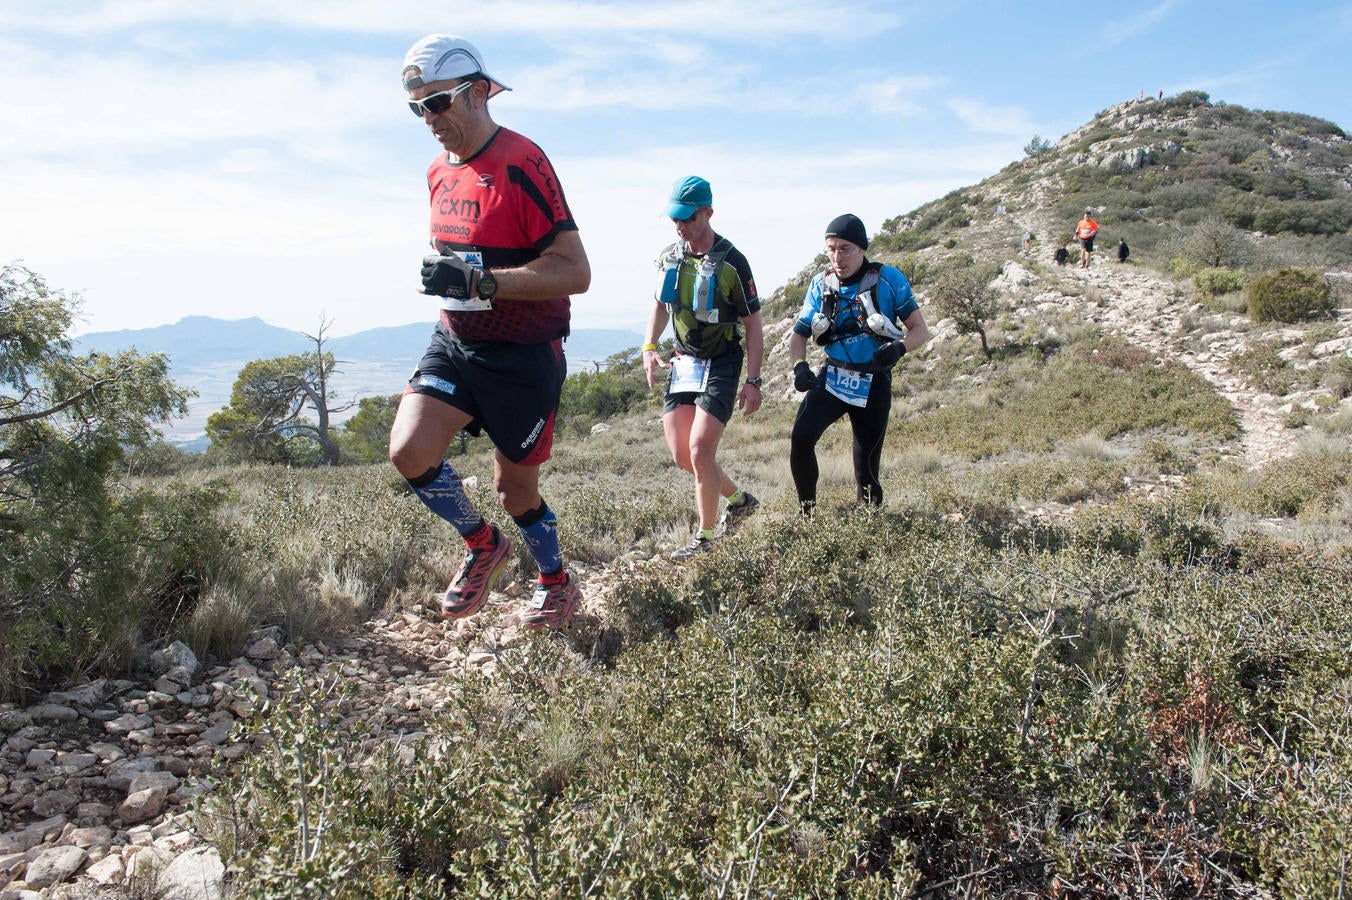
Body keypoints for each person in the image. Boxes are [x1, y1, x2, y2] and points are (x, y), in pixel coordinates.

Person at [388, 34, 591, 629]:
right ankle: (483, 544)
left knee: (515, 490)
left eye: (440, 102)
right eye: (417, 107)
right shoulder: (435, 171)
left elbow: (575, 272)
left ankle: (556, 581)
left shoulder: (523, 161)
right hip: (456, 341)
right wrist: (449, 276)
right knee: (408, 450)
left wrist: (483, 282)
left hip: (523, 355)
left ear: (478, 92)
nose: (429, 119)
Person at [642, 176, 764, 560]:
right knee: (684, 455)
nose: (680, 225)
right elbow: (661, 305)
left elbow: (753, 323)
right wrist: (648, 346)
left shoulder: (732, 263)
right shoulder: (669, 256)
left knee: (699, 450)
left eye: (688, 218)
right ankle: (741, 500)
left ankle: (706, 539)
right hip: (684, 361)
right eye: (675, 218)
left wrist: (754, 380)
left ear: (708, 212)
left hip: (722, 362)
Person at [788, 215, 929, 512]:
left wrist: (899, 349)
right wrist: (800, 367)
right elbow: (798, 336)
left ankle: (869, 530)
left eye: (846, 248)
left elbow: (920, 330)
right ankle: (807, 514)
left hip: (873, 379)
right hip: (834, 376)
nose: (837, 257)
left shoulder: (889, 279)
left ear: (863, 248)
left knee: (866, 470)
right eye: (831, 248)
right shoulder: (821, 283)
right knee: (801, 439)